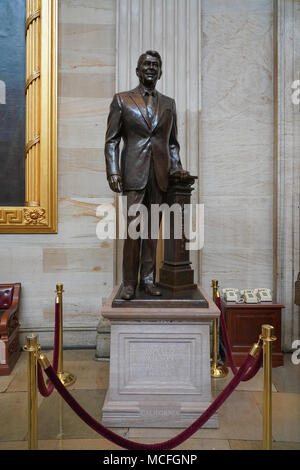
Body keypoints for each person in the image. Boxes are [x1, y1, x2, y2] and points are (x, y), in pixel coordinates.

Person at [105, 50, 189, 300]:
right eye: (146, 64)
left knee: (153, 232)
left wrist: (176, 167)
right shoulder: (122, 100)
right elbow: (112, 140)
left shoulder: (169, 103)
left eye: (155, 65)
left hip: (160, 175)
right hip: (134, 173)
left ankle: (148, 280)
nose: (151, 68)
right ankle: (129, 282)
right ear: (138, 70)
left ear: (160, 72)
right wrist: (113, 171)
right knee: (134, 231)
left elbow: (172, 143)